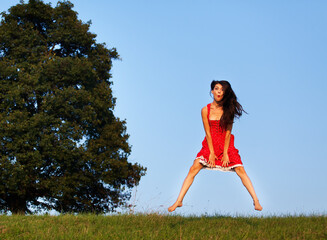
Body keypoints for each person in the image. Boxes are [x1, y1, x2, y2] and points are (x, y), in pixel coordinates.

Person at [168, 80, 262, 212]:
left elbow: (228, 133)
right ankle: (178, 201)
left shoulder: (229, 109)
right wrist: (211, 153)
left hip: (226, 144)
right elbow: (207, 132)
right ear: (212, 91)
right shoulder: (205, 110)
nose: (219, 91)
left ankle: (256, 201)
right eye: (216, 89)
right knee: (193, 168)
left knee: (241, 170)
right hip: (210, 143)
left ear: (225, 93)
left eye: (222, 90)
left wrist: (225, 154)